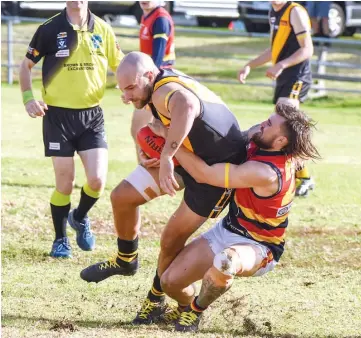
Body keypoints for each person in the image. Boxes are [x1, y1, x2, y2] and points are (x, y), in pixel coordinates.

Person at [79, 51, 246, 324]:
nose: (128, 95)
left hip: (213, 177)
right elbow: (172, 120)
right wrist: (160, 136)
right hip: (190, 156)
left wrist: (167, 155)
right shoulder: (155, 87)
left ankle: (156, 299)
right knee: (122, 197)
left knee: (170, 240)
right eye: (123, 90)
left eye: (131, 87)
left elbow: (187, 104)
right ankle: (125, 259)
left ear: (148, 75)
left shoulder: (163, 91)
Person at [149, 103, 321, 332]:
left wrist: (169, 140)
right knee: (169, 282)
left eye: (269, 124)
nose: (262, 124)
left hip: (260, 246)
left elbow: (205, 174)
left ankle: (196, 311)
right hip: (228, 230)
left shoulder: (266, 172)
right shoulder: (262, 140)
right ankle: (185, 306)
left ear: (280, 142)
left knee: (226, 261)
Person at [19, 1, 123, 258]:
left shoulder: (103, 29)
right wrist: (29, 99)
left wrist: (132, 88)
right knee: (65, 184)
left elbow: (120, 66)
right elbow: (25, 66)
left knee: (97, 181)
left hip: (92, 116)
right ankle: (60, 240)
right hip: (57, 116)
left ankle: (79, 217)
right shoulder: (50, 28)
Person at [237, 0, 315, 197]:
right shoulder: (274, 11)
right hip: (284, 78)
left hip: (297, 76)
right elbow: (275, 50)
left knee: (285, 126)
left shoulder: (295, 11)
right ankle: (300, 176)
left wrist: (281, 65)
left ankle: (302, 178)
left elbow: (307, 49)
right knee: (285, 129)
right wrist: (250, 65)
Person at [131, 1, 176, 161]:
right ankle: (146, 174)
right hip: (152, 81)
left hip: (157, 83)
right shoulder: (148, 15)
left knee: (140, 130)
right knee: (142, 131)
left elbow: (157, 60)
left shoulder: (160, 19)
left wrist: (143, 85)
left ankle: (146, 174)